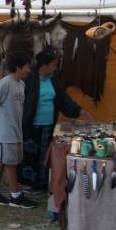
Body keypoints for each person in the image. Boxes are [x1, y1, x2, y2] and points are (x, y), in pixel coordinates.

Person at [19, 49, 89, 193]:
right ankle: (29, 184)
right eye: (53, 65)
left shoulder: (53, 78)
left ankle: (42, 183)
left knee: (45, 155)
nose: (55, 68)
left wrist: (78, 110)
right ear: (44, 65)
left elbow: (62, 97)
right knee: (30, 155)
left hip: (48, 123)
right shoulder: (29, 78)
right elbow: (20, 99)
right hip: (31, 124)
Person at [0, 52, 36, 209]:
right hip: (4, 132)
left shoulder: (21, 84)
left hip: (15, 131)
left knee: (2, 161)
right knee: (10, 164)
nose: (29, 70)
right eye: (27, 67)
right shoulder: (4, 83)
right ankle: (15, 196)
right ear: (19, 67)